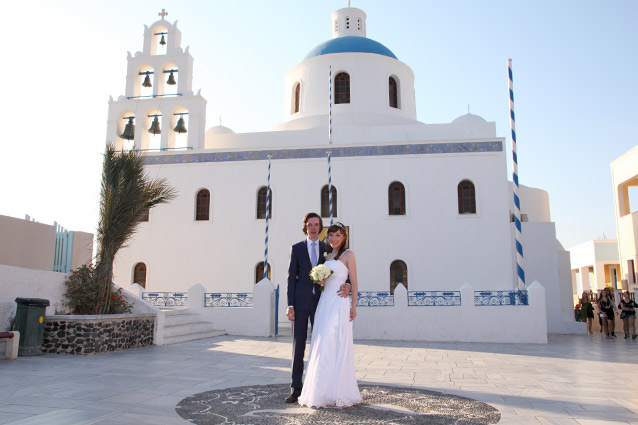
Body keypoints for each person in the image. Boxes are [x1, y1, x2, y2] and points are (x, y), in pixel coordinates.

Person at [285, 213, 350, 403]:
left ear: (320, 228)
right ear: (305, 227)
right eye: (310, 224)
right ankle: (296, 388)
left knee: (323, 345)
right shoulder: (296, 248)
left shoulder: (328, 248)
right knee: (298, 346)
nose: (313, 228)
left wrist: (349, 286)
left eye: (316, 225)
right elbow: (291, 278)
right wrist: (290, 305)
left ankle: (321, 387)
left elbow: (342, 271)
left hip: (323, 303)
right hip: (300, 303)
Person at [298, 222, 362, 408]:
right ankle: (322, 391)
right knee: (322, 343)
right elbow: (322, 283)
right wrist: (320, 281)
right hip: (325, 303)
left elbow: (355, 281)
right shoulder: (327, 255)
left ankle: (340, 391)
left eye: (338, 235)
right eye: (331, 235)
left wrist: (354, 305)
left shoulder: (349, 255)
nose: (333, 239)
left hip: (339, 303)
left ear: (344, 237)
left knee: (337, 343)